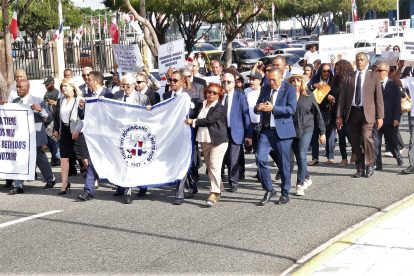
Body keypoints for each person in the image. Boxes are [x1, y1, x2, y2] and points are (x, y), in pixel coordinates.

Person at [336, 52, 384, 178]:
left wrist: (380, 116)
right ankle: (359, 168)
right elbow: (342, 98)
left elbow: (379, 98)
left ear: (367, 61)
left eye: (362, 60)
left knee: (366, 137)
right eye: (357, 60)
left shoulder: (373, 76)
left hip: (368, 113)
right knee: (355, 141)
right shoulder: (348, 77)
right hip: (352, 113)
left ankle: (369, 164)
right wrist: (339, 116)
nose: (359, 62)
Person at [254, 68, 297, 205]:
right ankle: (269, 189)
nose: (271, 82)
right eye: (269, 79)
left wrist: (273, 109)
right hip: (267, 130)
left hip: (283, 131)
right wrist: (259, 107)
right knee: (260, 158)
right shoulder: (265, 88)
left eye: (273, 79)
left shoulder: (289, 89)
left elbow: (291, 109)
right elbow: (257, 106)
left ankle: (285, 193)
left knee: (284, 164)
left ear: (281, 78)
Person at [9, 80, 56, 194]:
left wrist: (40, 110)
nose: (18, 89)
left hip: (35, 133)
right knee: (20, 157)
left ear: (27, 88)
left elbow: (49, 117)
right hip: (20, 135)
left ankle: (50, 179)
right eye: (17, 87)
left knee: (39, 157)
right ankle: (18, 185)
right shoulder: (15, 101)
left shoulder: (38, 100)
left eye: (20, 87)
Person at [185, 83, 228, 206]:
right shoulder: (201, 104)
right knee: (209, 166)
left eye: (214, 93)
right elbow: (192, 115)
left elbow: (209, 120)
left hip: (219, 140)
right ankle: (219, 187)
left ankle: (214, 193)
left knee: (214, 165)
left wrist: (192, 121)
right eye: (209, 91)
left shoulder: (220, 107)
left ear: (219, 95)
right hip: (204, 139)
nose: (211, 94)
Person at [163, 70, 199, 205]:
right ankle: (192, 185)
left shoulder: (189, 95)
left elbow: (194, 113)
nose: (172, 83)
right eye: (170, 80)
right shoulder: (166, 95)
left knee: (183, 159)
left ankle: (179, 193)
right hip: (171, 134)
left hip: (185, 132)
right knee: (175, 160)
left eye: (175, 80)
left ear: (182, 81)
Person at [113, 74, 150, 204]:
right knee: (126, 162)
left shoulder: (143, 98)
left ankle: (143, 186)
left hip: (137, 135)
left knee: (138, 161)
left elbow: (148, 117)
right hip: (122, 135)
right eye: (123, 85)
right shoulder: (117, 96)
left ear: (134, 85)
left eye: (128, 85)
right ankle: (127, 191)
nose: (125, 88)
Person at [287, 74, 325, 196]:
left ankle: (300, 184)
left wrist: (322, 132)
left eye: (298, 80)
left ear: (302, 82)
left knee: (302, 155)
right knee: (298, 157)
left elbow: (318, 114)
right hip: (291, 129)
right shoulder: (287, 96)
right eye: (293, 80)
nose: (295, 82)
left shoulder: (308, 95)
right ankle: (307, 177)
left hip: (306, 128)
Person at [52, 79, 88, 195]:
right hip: (65, 131)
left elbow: (82, 118)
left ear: (73, 87)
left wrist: (77, 131)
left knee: (83, 157)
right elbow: (57, 116)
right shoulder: (60, 100)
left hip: (77, 131)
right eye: (62, 86)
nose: (63, 88)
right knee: (64, 158)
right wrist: (56, 129)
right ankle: (64, 184)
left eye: (66, 86)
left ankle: (93, 178)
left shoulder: (79, 100)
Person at [221, 73, 252, 192]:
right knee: (224, 158)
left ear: (234, 83)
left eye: (228, 82)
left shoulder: (240, 96)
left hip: (236, 131)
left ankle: (233, 182)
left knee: (233, 159)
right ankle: (219, 180)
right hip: (221, 132)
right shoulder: (219, 96)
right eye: (224, 82)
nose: (226, 84)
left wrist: (249, 134)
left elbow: (246, 116)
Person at [373, 62, 403, 170]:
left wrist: (397, 118)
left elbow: (397, 103)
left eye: (380, 71)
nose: (377, 72)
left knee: (392, 142)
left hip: (390, 120)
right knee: (376, 142)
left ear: (386, 71)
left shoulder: (393, 85)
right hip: (377, 119)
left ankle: (398, 156)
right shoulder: (373, 84)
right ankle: (378, 164)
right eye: (376, 70)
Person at [308, 63, 335, 165]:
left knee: (330, 134)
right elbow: (307, 88)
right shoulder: (315, 78)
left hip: (329, 109)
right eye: (324, 71)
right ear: (320, 71)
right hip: (316, 109)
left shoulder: (333, 79)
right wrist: (314, 85)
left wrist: (330, 96)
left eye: (328, 71)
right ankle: (315, 158)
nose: (326, 73)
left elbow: (336, 91)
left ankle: (330, 156)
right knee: (315, 133)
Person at [330, 59, 355, 167]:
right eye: (335, 69)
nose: (336, 71)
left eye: (338, 69)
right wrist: (329, 96)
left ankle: (355, 153)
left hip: (350, 112)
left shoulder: (351, 78)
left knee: (351, 135)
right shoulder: (335, 79)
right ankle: (344, 158)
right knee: (341, 136)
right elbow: (331, 92)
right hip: (338, 111)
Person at [394, 60, 414, 174]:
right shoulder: (410, 80)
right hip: (413, 115)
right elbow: (396, 81)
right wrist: (400, 67)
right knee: (413, 141)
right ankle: (413, 165)